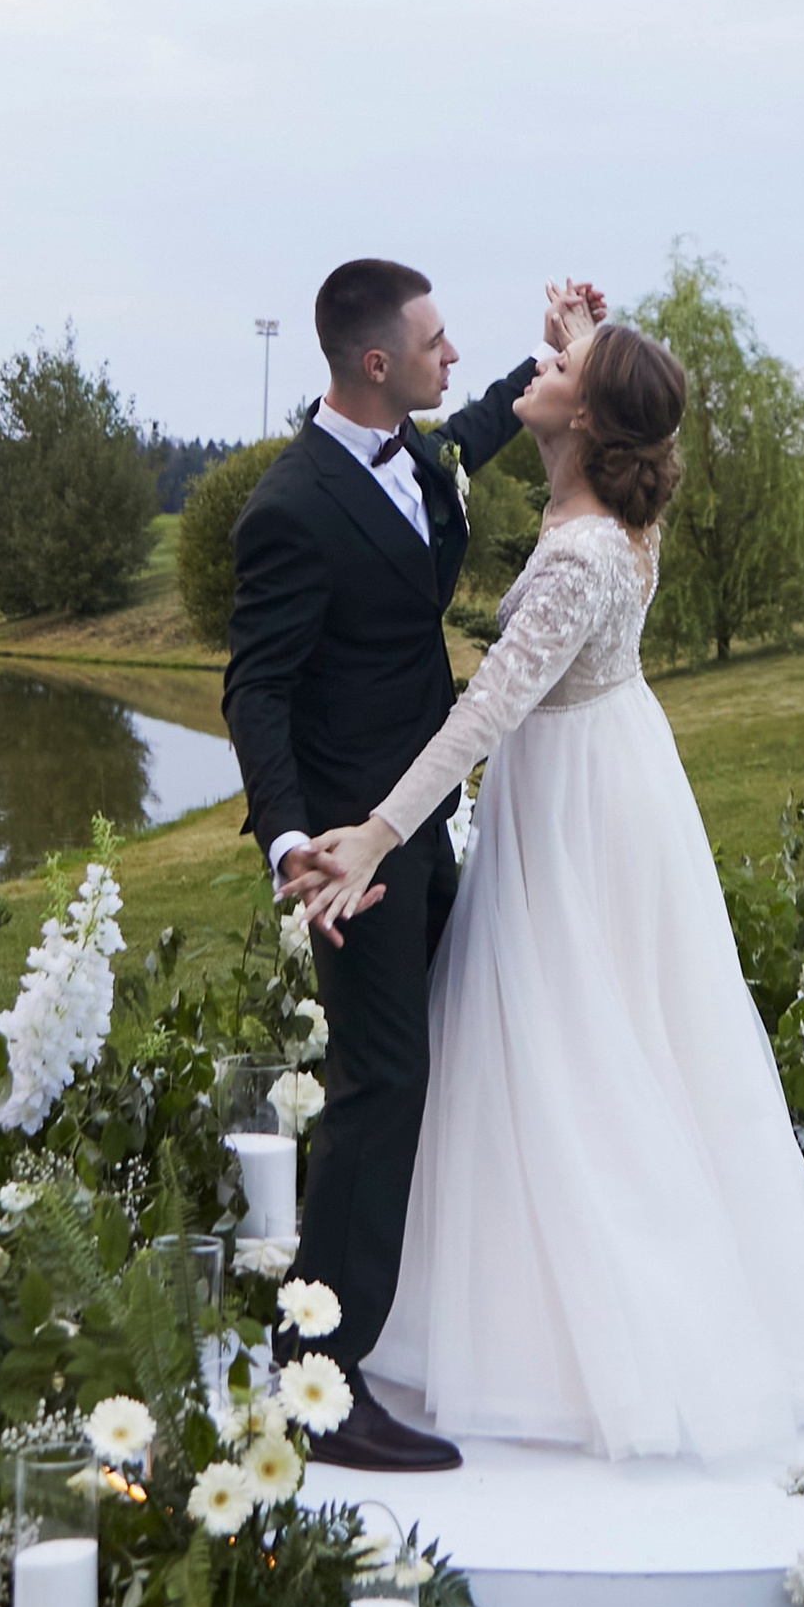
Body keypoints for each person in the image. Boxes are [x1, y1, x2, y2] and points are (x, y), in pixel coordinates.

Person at [297, 315, 804, 1470]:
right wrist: (585, 333)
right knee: (613, 1038)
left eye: (558, 371)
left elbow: (482, 714)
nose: (531, 373)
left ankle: (602, 1328)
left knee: (579, 1049)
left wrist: (375, 837)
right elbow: (619, 396)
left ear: (587, 419)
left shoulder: (587, 551)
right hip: (606, 778)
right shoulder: (616, 503)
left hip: (577, 807)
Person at [222, 256, 603, 1472]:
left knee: (437, 1071)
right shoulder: (286, 508)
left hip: (426, 822)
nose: (453, 358)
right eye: (435, 344)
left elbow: (479, 428)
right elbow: (256, 689)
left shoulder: (414, 453)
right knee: (379, 1088)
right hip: (356, 850)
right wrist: (294, 845)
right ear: (376, 364)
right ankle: (315, 1389)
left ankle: (400, 1326)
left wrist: (560, 351)